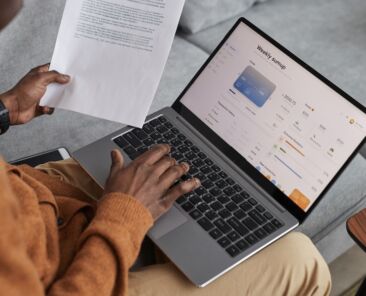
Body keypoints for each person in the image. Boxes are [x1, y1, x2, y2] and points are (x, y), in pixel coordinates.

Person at [0, 1, 331, 295]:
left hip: (35, 194)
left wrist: (6, 107)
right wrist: (125, 211)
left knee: (153, 157)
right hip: (70, 269)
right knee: (301, 260)